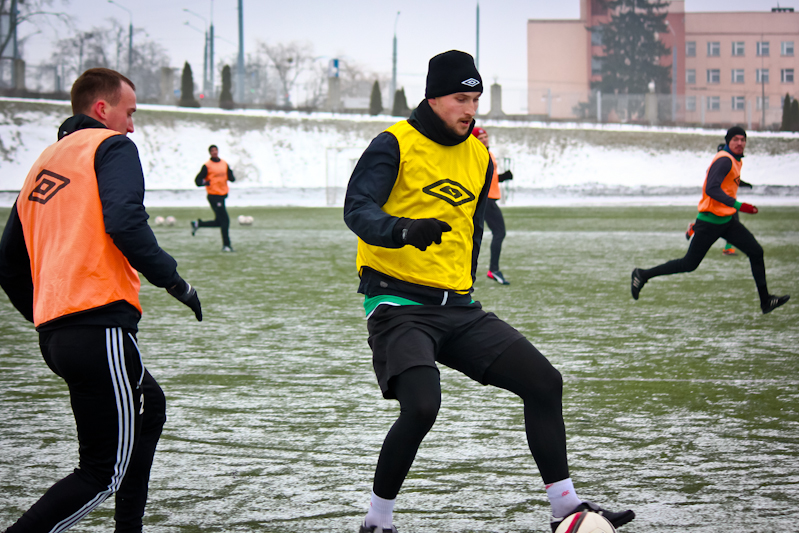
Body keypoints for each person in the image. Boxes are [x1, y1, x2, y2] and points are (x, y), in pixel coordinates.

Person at [343, 50, 635, 533]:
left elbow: (472, 230)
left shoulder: (479, 156)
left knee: (544, 382)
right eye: (461, 99)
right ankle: (377, 522)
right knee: (423, 406)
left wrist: (465, 284)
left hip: (458, 307)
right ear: (433, 98)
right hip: (398, 305)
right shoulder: (394, 143)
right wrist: (402, 229)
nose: (470, 109)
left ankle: (565, 507)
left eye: (476, 100)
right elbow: (357, 208)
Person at [0, 68, 203, 533]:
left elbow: (8, 263)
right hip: (97, 328)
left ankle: (129, 528)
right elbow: (125, 222)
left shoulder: (43, 163)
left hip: (58, 334)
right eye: (129, 113)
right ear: (101, 109)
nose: (132, 125)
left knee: (149, 405)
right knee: (100, 473)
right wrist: (176, 283)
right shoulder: (111, 146)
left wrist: (49, 316)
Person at [632, 126, 789, 314]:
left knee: (756, 251)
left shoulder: (735, 159)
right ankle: (642, 275)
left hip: (726, 221)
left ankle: (766, 301)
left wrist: (742, 187)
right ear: (728, 141)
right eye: (736, 139)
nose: (740, 143)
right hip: (710, 222)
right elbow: (711, 189)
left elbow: (726, 182)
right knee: (688, 264)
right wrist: (739, 205)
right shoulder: (725, 160)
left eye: (743, 139)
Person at [685, 143, 754, 256]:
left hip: (729, 202)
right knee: (715, 227)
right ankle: (695, 227)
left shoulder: (728, 163)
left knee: (732, 224)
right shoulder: (717, 165)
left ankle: (728, 248)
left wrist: (745, 184)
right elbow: (712, 185)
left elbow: (734, 179)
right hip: (718, 203)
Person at [472, 126, 514, 284]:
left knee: (474, 234)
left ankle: (472, 269)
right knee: (499, 232)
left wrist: (503, 177)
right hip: (485, 199)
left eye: (485, 137)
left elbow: (490, 177)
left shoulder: (489, 154)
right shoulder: (477, 154)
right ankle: (493, 270)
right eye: (480, 138)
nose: (484, 140)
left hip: (489, 198)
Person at [190, 144, 236, 252]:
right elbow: (197, 181)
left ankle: (198, 224)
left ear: (218, 151)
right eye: (212, 151)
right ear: (210, 153)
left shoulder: (224, 163)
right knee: (225, 221)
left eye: (216, 150)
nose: (214, 152)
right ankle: (226, 245)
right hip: (214, 196)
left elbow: (231, 177)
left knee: (219, 222)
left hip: (222, 195)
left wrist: (231, 175)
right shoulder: (207, 166)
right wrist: (205, 182)